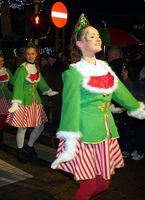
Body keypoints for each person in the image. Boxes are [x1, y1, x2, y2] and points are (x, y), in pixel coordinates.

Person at [51, 14, 145, 200]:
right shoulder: (74, 73)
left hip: (105, 132)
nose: (97, 38)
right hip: (83, 135)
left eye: (97, 36)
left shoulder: (105, 67)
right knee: (87, 188)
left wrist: (138, 108)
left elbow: (119, 91)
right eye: (91, 36)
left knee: (103, 184)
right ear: (80, 44)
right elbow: (70, 108)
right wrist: (70, 143)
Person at [6, 41, 58, 163]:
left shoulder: (36, 67)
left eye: (33, 54)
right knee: (22, 127)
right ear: (25, 55)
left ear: (36, 54)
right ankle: (19, 150)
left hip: (35, 100)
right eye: (28, 54)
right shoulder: (21, 69)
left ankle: (29, 146)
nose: (30, 56)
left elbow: (40, 82)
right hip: (23, 100)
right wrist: (15, 102)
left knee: (40, 126)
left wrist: (48, 91)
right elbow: (17, 86)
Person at [121, 68, 145, 160]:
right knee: (138, 130)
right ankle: (139, 149)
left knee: (141, 132)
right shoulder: (139, 79)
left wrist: (126, 79)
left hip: (142, 109)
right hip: (139, 108)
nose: (143, 69)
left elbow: (137, 93)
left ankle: (141, 152)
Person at [47, 52, 66, 135]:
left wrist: (52, 90)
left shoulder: (57, 67)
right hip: (58, 92)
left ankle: (56, 129)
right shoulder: (56, 66)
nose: (48, 60)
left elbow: (57, 81)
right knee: (56, 112)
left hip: (57, 93)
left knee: (56, 111)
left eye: (49, 58)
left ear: (53, 59)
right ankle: (55, 128)